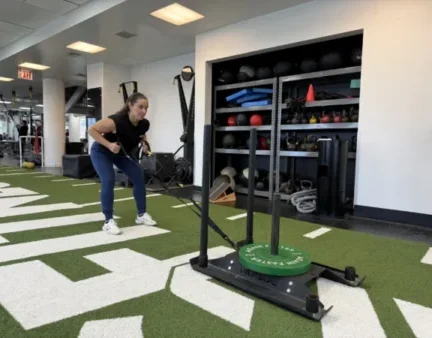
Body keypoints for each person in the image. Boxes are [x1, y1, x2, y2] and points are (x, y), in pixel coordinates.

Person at [88, 92, 157, 235]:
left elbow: (140, 134)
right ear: (130, 105)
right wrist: (108, 145)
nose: (144, 111)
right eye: (140, 107)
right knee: (108, 180)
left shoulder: (145, 124)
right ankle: (108, 221)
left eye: (146, 108)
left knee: (139, 175)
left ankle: (141, 215)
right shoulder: (116, 121)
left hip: (120, 154)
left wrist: (144, 143)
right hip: (102, 152)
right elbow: (92, 130)